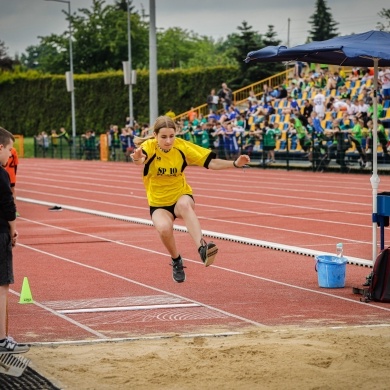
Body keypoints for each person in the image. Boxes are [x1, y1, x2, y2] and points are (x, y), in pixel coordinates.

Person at [130, 116, 250, 283]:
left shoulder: (182, 147)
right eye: (163, 137)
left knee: (185, 205)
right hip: (158, 203)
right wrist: (137, 158)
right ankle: (176, 260)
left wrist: (235, 164)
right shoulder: (149, 146)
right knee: (164, 229)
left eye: (171, 136)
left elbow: (211, 162)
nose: (168, 140)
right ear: (155, 136)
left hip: (181, 194)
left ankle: (202, 248)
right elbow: (140, 159)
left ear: (176, 134)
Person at [0, 126, 30, 354]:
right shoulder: (1, 174)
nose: (11, 155)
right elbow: (9, 206)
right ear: (1, 147)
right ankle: (2, 339)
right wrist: (13, 230)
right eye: (9, 150)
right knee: (2, 287)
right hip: (0, 232)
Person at [3, 147, 19, 217]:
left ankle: (12, 209)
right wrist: (14, 174)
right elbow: (16, 164)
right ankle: (14, 209)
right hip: (11, 174)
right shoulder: (13, 150)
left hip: (5, 173)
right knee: (12, 191)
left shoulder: (3, 150)